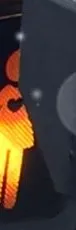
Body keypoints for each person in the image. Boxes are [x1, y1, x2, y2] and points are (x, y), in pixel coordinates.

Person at [0, 49, 34, 209]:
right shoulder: (7, 91)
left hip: (18, 135)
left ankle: (9, 202)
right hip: (3, 133)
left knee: (14, 173)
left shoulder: (26, 95)